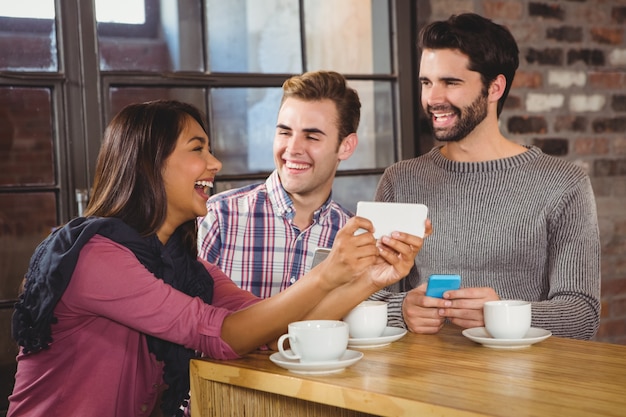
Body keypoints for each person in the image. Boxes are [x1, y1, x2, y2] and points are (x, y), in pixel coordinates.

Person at [7, 100, 429, 416]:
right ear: (151, 165)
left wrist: (371, 280)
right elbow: (222, 335)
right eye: (198, 149)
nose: (215, 162)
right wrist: (327, 275)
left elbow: (271, 327)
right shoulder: (98, 259)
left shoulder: (184, 268)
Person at [371, 13, 600, 340]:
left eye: (451, 82)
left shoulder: (564, 183)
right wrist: (401, 310)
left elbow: (582, 315)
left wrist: (502, 314)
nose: (433, 98)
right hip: (420, 381)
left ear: (495, 87)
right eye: (426, 82)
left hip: (526, 382)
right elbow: (366, 295)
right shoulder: (400, 180)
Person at [198, 70, 359, 298]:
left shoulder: (353, 238)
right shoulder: (218, 217)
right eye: (285, 132)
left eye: (311, 137)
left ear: (346, 146)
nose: (292, 149)